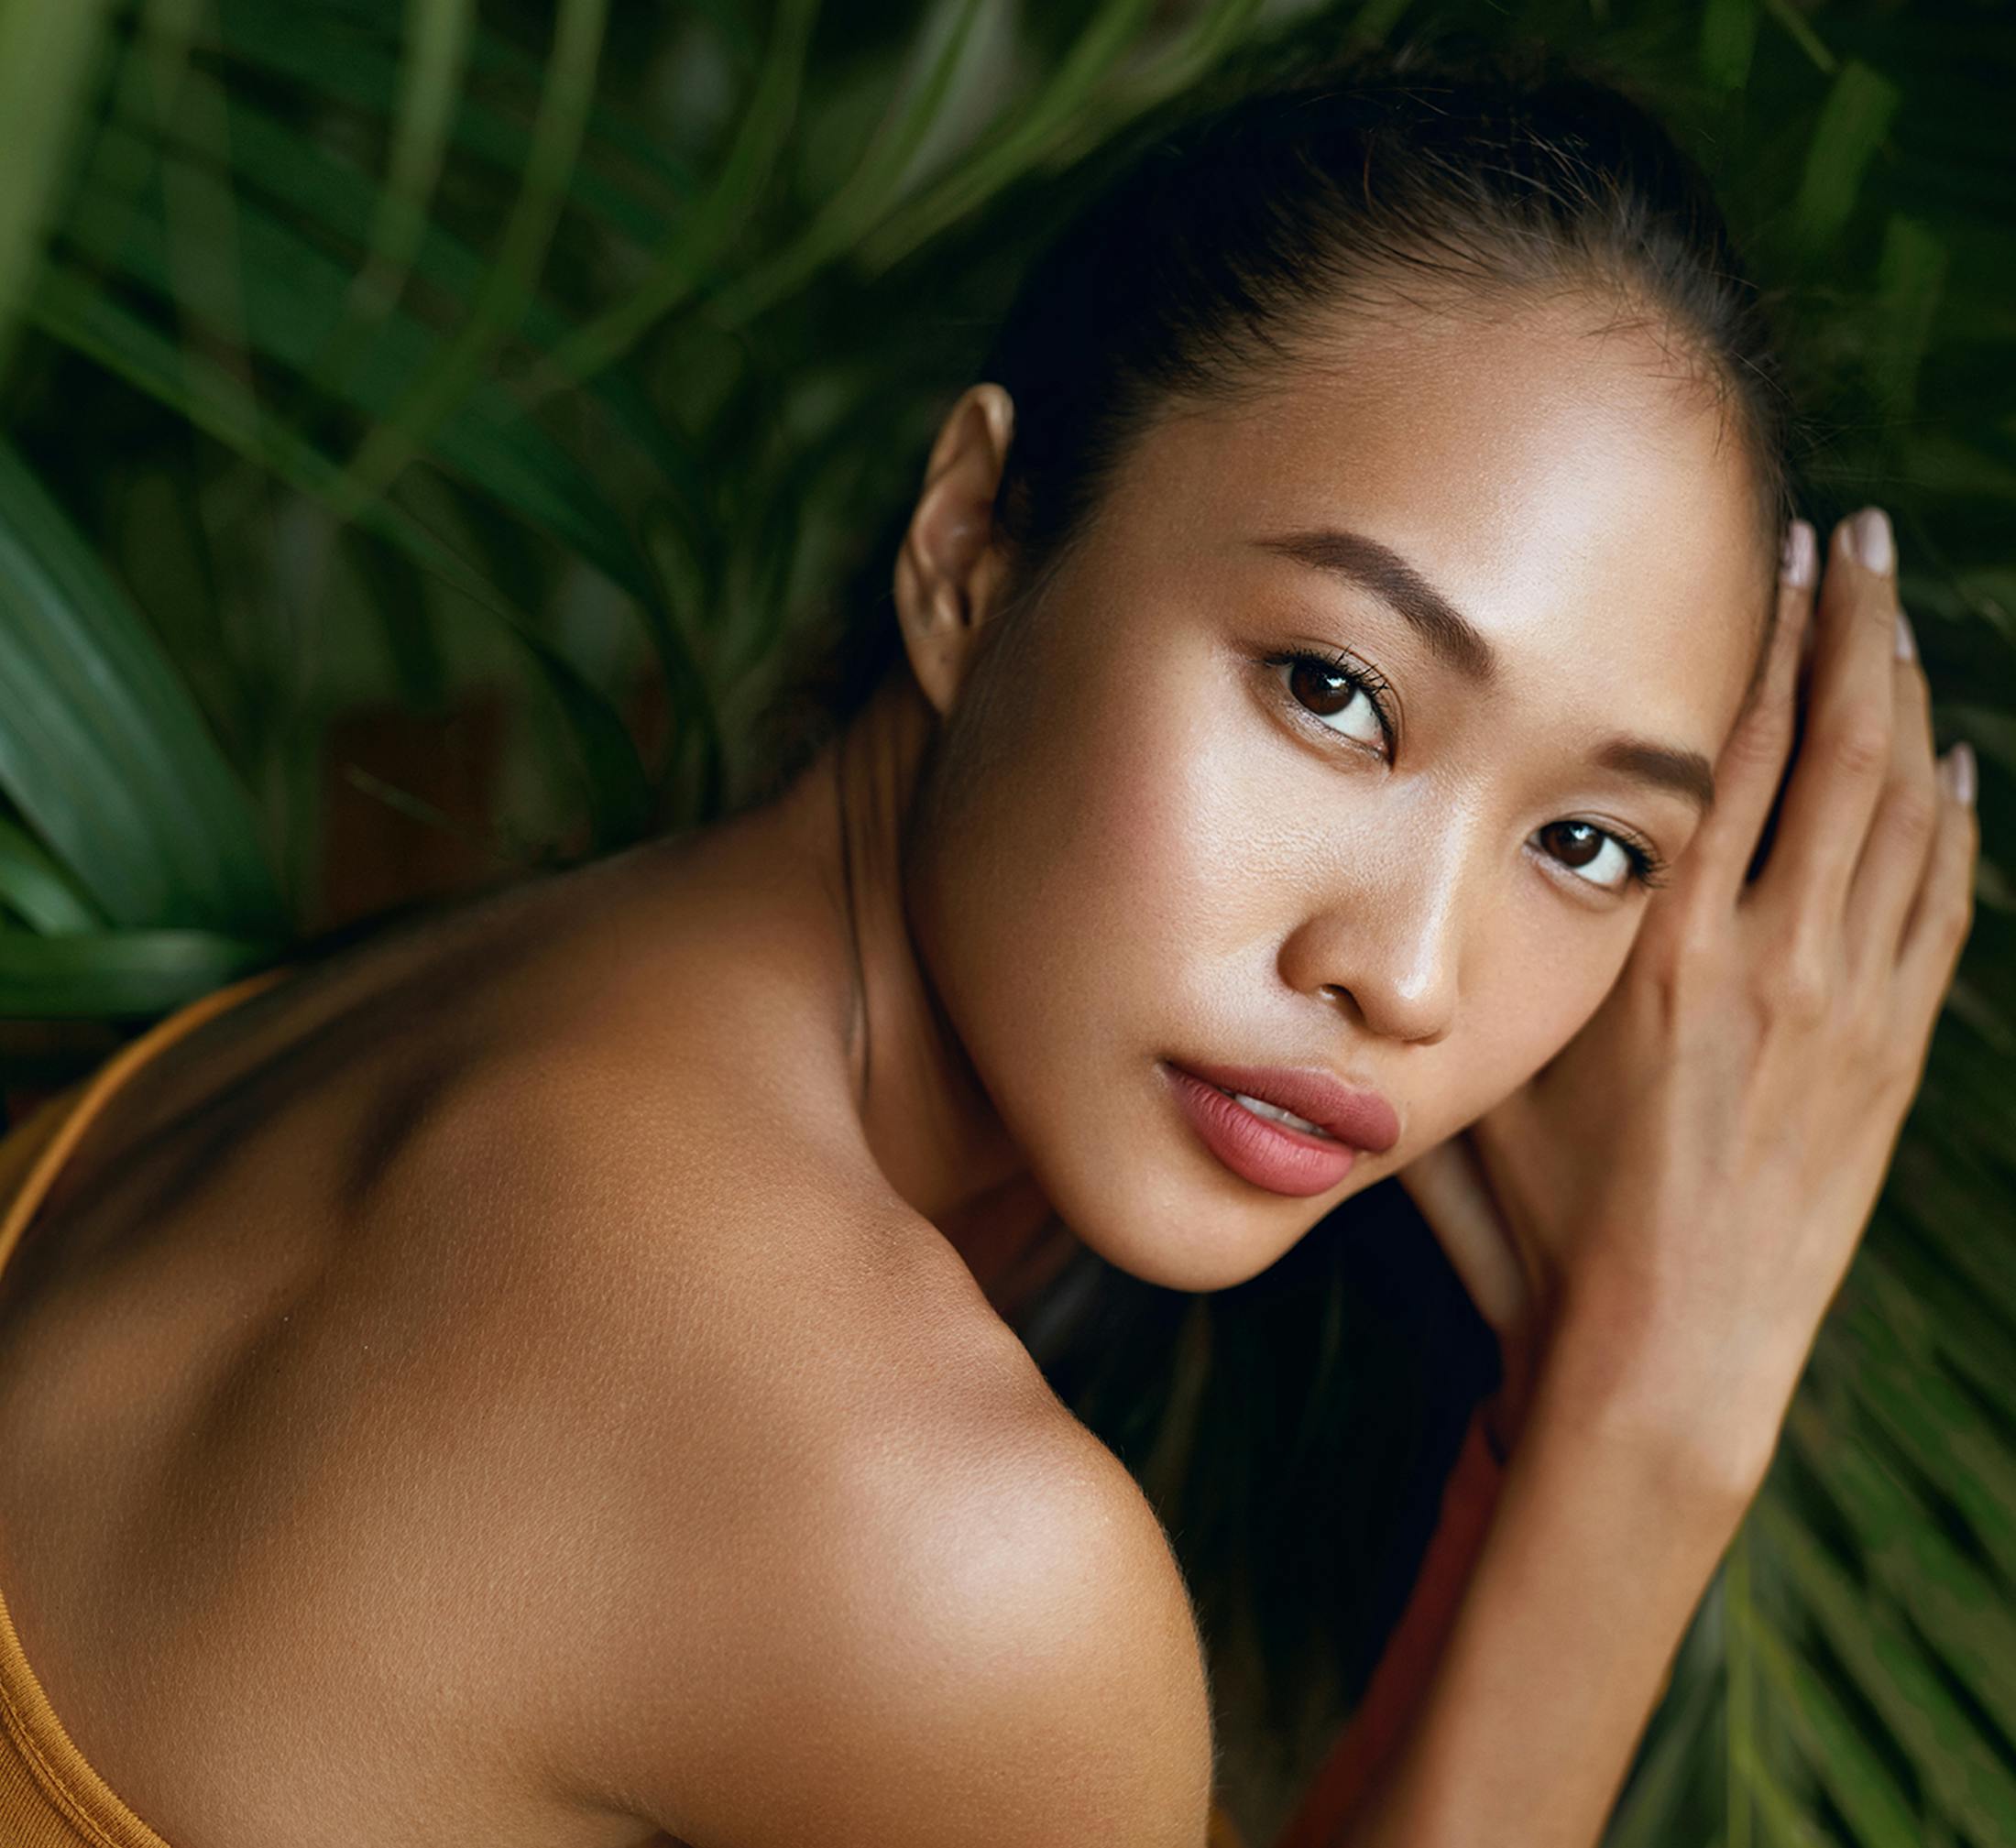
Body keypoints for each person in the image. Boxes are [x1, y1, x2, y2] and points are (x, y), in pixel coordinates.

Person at [0, 43, 1978, 1848]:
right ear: (970, 548)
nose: (1414, 972)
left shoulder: (513, 994)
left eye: (1582, 840)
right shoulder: (927, 1535)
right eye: (1332, 689)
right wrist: (1648, 1416)